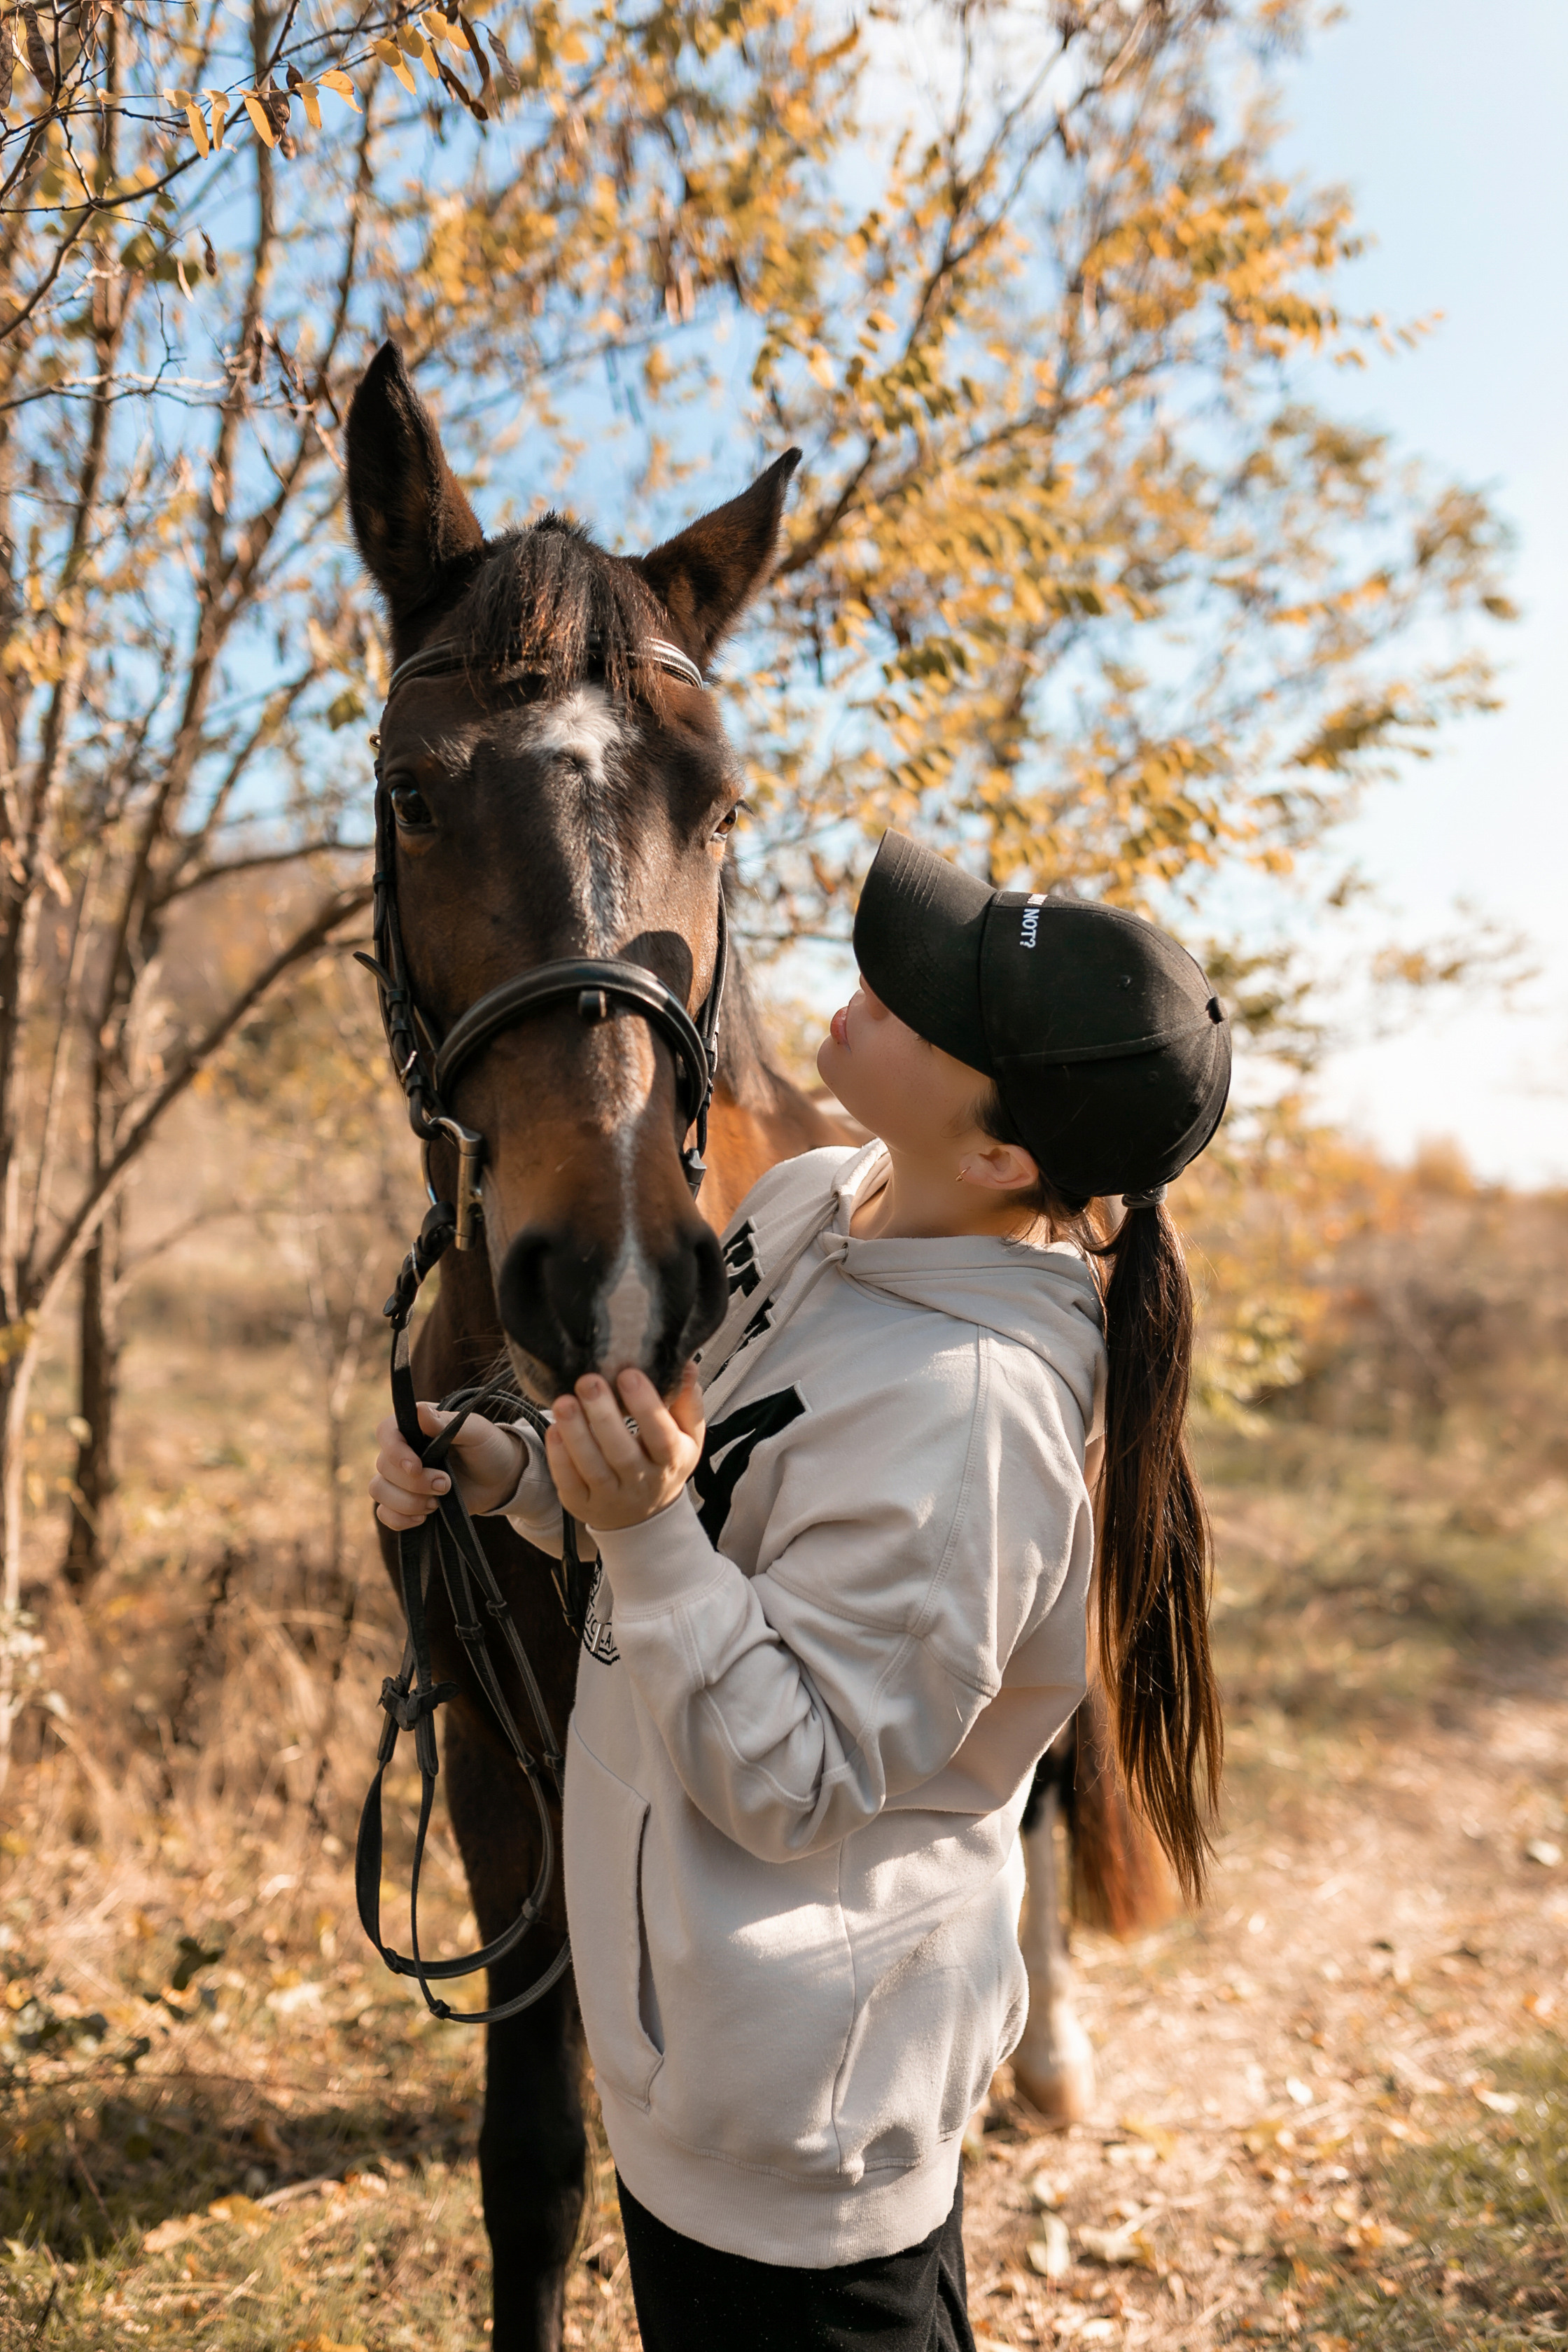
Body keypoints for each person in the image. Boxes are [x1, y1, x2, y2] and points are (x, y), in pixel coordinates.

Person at [370, 829, 1231, 2351]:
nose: (873, 983)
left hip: (798, 2129)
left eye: (923, 1003)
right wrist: (517, 1478)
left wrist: (636, 1535)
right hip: (692, 2060)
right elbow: (708, 1522)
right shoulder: (819, 1204)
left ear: (1003, 1158)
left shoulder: (970, 1418)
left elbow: (797, 1773)